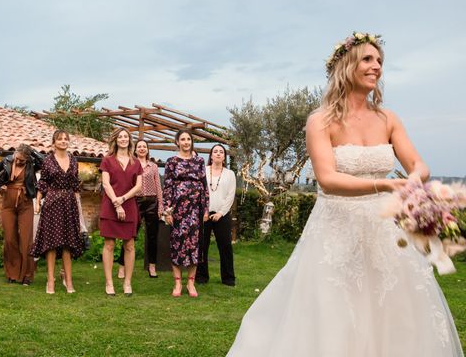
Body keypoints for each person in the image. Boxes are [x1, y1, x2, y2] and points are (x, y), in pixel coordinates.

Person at [228, 33, 464, 356]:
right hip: (336, 230)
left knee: (396, 313)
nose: (376, 66)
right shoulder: (320, 121)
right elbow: (327, 179)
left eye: (379, 61)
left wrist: (412, 179)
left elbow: (419, 164)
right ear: (347, 66)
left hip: (385, 230)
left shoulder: (388, 119)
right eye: (368, 59)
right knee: (336, 313)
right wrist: (385, 185)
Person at [30, 130, 83, 294]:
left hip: (69, 203)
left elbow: (75, 186)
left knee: (68, 244)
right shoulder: (48, 161)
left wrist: (79, 209)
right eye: (60, 139)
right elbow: (43, 183)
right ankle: (50, 281)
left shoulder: (74, 160)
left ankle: (69, 281)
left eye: (66, 139)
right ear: (54, 142)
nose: (63, 141)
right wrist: (38, 202)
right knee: (51, 244)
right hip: (52, 203)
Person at [162, 130, 209, 298]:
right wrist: (167, 211)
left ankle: (190, 283)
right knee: (177, 244)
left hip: (195, 210)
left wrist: (205, 208)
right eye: (183, 139)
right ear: (177, 142)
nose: (186, 142)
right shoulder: (171, 162)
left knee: (194, 246)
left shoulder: (199, 161)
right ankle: (177, 283)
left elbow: (204, 186)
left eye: (189, 139)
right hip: (178, 210)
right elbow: (167, 187)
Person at [99, 128, 143, 296]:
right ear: (115, 140)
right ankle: (109, 283)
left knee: (130, 245)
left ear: (129, 140)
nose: (123, 139)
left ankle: (127, 283)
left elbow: (138, 187)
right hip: (110, 206)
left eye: (126, 137)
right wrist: (117, 204)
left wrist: (123, 200)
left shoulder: (136, 162)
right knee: (109, 244)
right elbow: (105, 184)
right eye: (120, 137)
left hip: (129, 206)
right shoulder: (107, 160)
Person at [117, 139, 163, 279]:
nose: (142, 149)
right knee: (129, 235)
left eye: (144, 147)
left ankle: (152, 266)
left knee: (153, 236)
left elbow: (158, 187)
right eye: (139, 147)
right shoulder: (131, 164)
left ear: (147, 150)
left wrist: (161, 205)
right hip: (135, 202)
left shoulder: (153, 166)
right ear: (135, 149)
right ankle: (122, 266)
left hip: (152, 202)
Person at [0, 144, 39, 286]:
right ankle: (12, 273)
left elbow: (45, 162)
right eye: (17, 157)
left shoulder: (32, 164)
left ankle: (26, 275)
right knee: (9, 239)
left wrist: (33, 152)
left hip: (25, 202)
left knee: (26, 240)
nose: (18, 161)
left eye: (22, 159)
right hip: (8, 202)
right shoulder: (6, 161)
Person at [196, 144, 236, 286]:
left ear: (224, 156)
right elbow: (199, 192)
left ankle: (228, 279)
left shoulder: (230, 174)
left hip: (222, 215)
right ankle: (201, 277)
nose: (218, 154)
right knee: (201, 246)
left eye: (221, 152)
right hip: (204, 215)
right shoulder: (203, 171)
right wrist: (204, 210)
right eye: (215, 151)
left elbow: (230, 195)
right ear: (211, 156)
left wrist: (221, 212)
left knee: (225, 247)